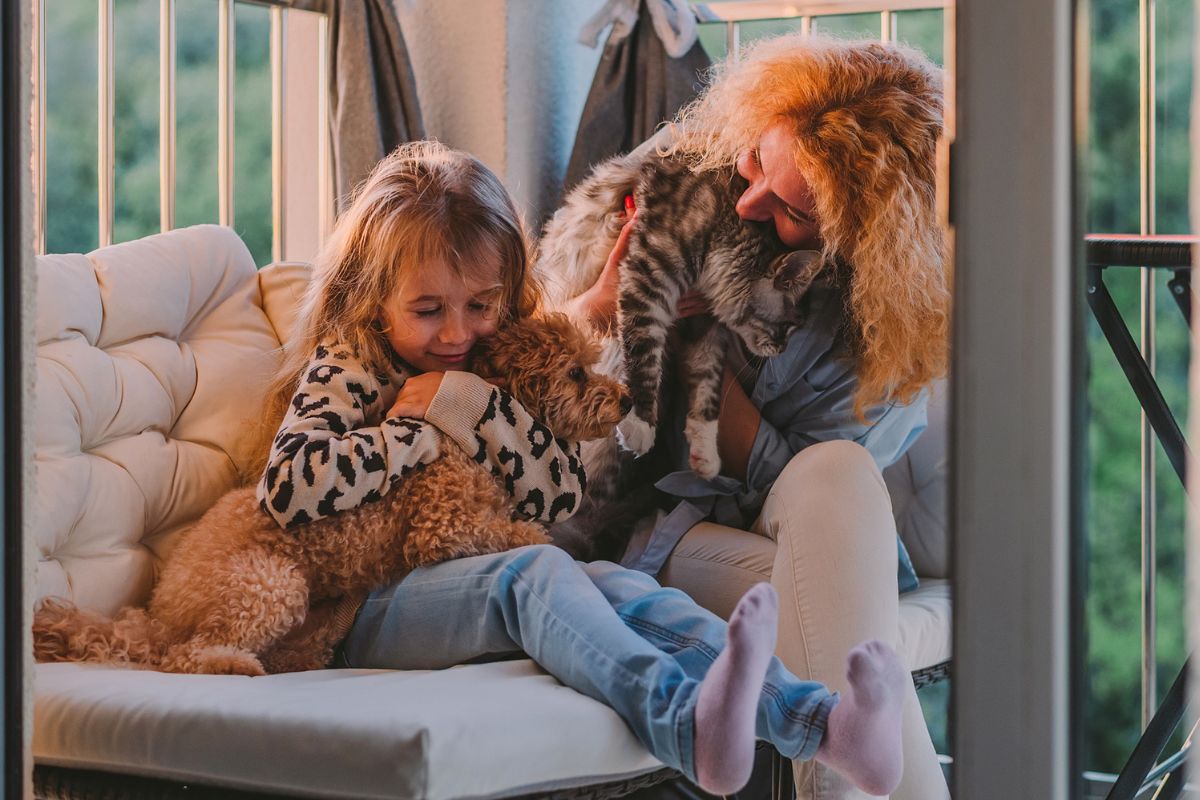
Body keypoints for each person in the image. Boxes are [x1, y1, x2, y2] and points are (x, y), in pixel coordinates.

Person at [256, 140, 911, 796]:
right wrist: (412, 438)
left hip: (461, 576)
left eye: (481, 306)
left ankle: (823, 724)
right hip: (357, 606)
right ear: (375, 300)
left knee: (621, 589)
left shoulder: (482, 372)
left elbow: (555, 495)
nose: (457, 332)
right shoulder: (350, 366)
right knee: (531, 572)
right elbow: (288, 487)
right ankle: (683, 726)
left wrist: (472, 406)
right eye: (429, 311)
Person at [562, 35, 951, 800]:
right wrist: (615, 308)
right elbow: (540, 338)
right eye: (753, 165)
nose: (747, 204)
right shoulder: (689, 168)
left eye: (793, 210)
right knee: (843, 616)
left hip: (788, 526)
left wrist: (696, 335)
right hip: (657, 531)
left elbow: (779, 478)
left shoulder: (881, 321)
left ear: (858, 236)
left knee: (836, 478)